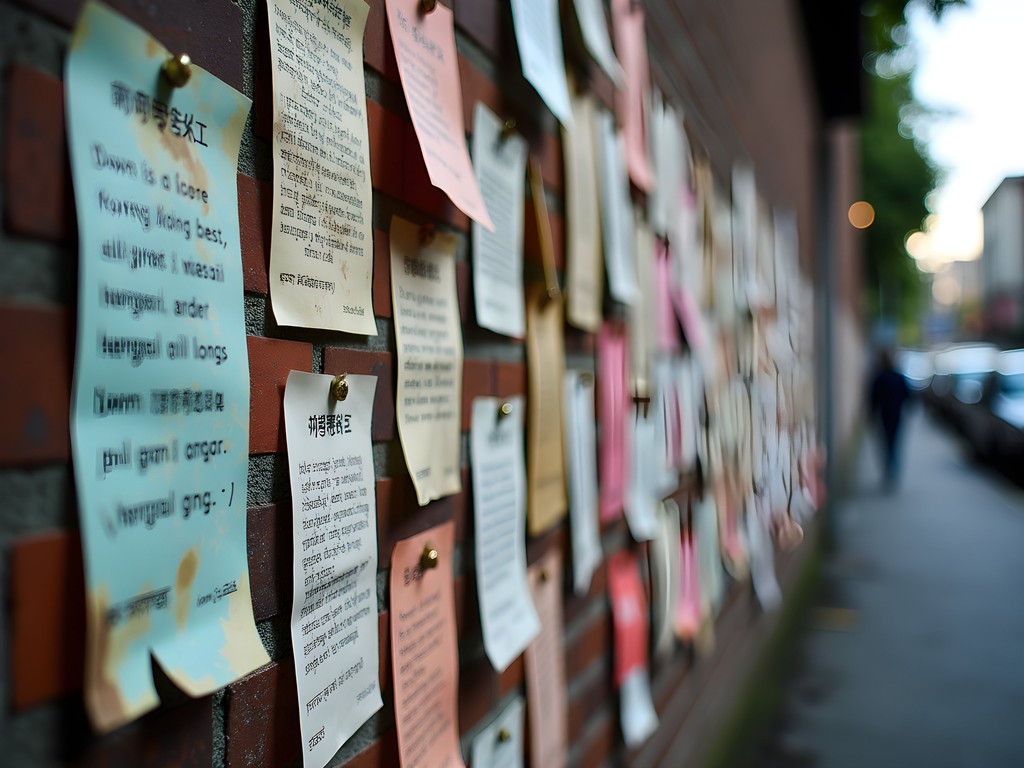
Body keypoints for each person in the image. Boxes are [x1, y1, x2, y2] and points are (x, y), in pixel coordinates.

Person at [869, 349, 910, 488]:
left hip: (884, 415)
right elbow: (908, 395)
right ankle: (893, 469)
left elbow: (873, 399)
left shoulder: (879, 377)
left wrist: (871, 415)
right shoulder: (898, 377)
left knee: (886, 442)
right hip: (897, 414)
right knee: (894, 442)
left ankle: (888, 469)